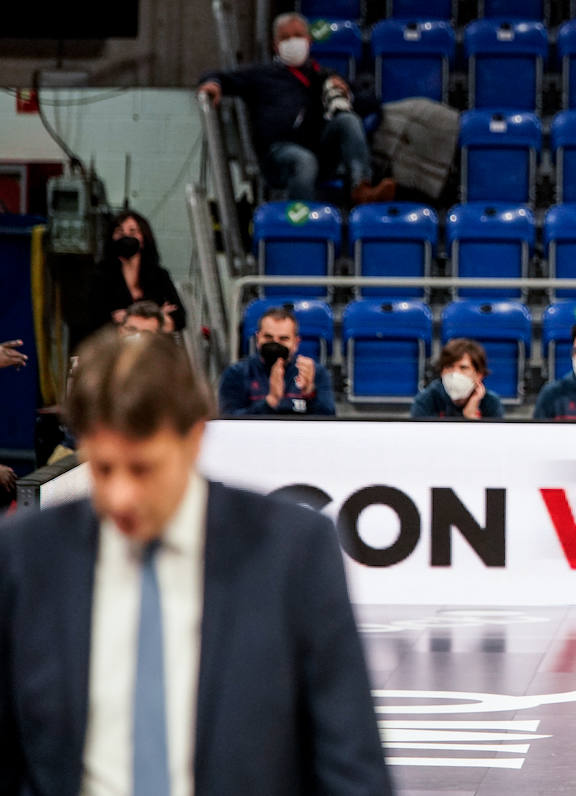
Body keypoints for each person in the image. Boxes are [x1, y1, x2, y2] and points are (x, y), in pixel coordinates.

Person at [0, 328, 393, 795]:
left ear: (194, 438)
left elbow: (353, 768)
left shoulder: (291, 553)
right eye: (103, 469)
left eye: (143, 468)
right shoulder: (26, 556)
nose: (122, 497)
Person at [197, 11, 393, 206]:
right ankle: (302, 224)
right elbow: (220, 77)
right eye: (285, 37)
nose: (292, 42)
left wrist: (345, 92)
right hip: (278, 156)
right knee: (303, 160)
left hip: (320, 153)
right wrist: (213, 83)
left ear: (308, 41)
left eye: (298, 36)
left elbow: (371, 102)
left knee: (347, 121)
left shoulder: (322, 75)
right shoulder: (261, 75)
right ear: (276, 45)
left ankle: (362, 189)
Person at [84, 210, 186, 344]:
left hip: (153, 349)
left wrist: (127, 317)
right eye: (120, 232)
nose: (126, 236)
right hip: (112, 349)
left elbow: (179, 318)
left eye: (133, 232)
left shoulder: (159, 275)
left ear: (143, 239)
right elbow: (93, 320)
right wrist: (158, 314)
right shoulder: (100, 276)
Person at [218, 306, 335, 416]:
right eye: (268, 337)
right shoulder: (236, 373)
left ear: (296, 343)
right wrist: (270, 401)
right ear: (258, 339)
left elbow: (330, 422)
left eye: (283, 339)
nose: (275, 343)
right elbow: (227, 421)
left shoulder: (315, 373)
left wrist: (310, 393)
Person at [410, 338, 504, 420]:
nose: (455, 373)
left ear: (479, 374)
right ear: (442, 371)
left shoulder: (491, 403)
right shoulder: (425, 400)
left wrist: (471, 416)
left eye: (463, 368)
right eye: (449, 367)